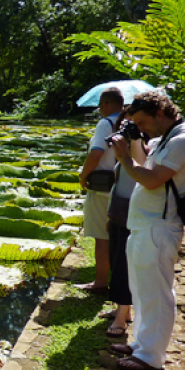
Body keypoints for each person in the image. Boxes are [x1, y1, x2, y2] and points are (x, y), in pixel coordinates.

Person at [108, 91, 185, 370]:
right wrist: (134, 141)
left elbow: (151, 180)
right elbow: (147, 162)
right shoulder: (168, 137)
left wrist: (124, 158)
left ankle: (151, 357)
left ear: (160, 114)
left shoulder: (184, 139)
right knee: (141, 290)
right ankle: (140, 345)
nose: (143, 128)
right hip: (144, 226)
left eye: (143, 122)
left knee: (157, 294)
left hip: (159, 228)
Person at [76, 88, 125, 293]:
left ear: (105, 104)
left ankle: (100, 282)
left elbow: (96, 152)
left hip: (103, 186)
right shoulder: (129, 122)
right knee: (120, 234)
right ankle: (120, 280)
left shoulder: (105, 123)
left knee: (102, 236)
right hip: (124, 185)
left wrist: (83, 175)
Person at [102, 110, 144, 338]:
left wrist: (134, 143)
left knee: (124, 265)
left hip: (133, 212)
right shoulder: (123, 152)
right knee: (117, 261)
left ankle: (121, 318)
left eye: (132, 124)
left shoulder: (144, 147)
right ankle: (123, 310)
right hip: (119, 212)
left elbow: (141, 170)